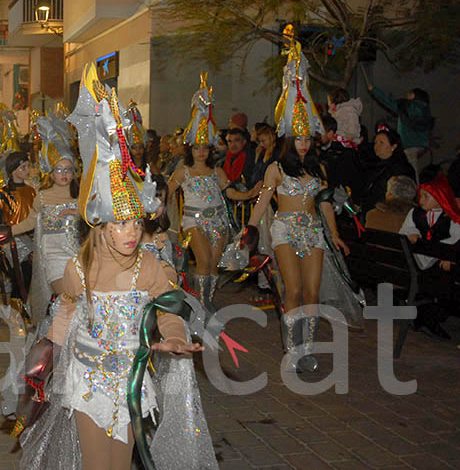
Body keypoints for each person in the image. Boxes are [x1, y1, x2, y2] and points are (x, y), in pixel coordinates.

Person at [20, 62, 214, 470]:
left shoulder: (150, 265)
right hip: (88, 381)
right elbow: (66, 313)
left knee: (120, 464)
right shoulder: (78, 267)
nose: (130, 232)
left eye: (135, 222)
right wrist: (45, 357)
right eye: (119, 223)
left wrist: (176, 336)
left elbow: (168, 310)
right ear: (100, 225)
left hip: (131, 381)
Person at [245, 24, 353, 373]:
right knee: (291, 290)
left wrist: (334, 234)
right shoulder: (276, 168)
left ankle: (307, 347)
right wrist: (249, 230)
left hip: (313, 231)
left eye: (309, 138)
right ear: (290, 139)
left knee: (312, 293)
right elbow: (263, 200)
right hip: (284, 230)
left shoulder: (318, 168)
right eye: (299, 138)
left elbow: (323, 203)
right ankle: (292, 348)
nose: (305, 143)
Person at [168, 73, 251, 310]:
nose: (201, 152)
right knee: (203, 260)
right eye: (197, 148)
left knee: (213, 264)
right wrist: (157, 206)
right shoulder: (184, 172)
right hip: (194, 221)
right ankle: (200, 305)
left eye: (205, 148)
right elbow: (168, 190)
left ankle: (205, 302)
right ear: (190, 149)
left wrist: (250, 194)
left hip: (219, 221)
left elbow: (231, 193)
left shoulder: (217, 172)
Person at [7, 113, 79, 326]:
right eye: (59, 169)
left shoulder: (82, 196)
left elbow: (97, 218)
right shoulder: (43, 196)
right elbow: (30, 223)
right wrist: (6, 231)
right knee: (69, 297)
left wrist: (79, 213)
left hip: (78, 256)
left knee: (81, 300)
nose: (64, 174)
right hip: (53, 256)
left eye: (68, 169)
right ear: (50, 172)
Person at [399, 172, 460, 339]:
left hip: (437, 262)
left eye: (427, 197)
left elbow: (455, 238)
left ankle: (427, 316)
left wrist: (448, 256)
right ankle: (426, 317)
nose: (421, 200)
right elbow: (406, 228)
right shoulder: (415, 213)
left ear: (440, 198)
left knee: (442, 280)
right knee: (435, 281)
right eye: (421, 196)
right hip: (418, 263)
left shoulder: (451, 217)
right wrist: (412, 233)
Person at [0, 150, 37, 320]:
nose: (28, 170)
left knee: (31, 272)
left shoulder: (31, 191)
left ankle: (25, 306)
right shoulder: (4, 194)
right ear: (14, 170)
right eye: (24, 167)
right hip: (11, 240)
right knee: (20, 272)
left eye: (28, 167)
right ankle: (17, 309)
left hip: (31, 239)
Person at [367, 81, 433, 178]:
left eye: (409, 93)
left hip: (410, 144)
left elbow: (389, 102)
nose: (406, 95)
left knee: (410, 172)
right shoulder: (425, 109)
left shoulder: (407, 106)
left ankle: (413, 190)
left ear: (413, 95)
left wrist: (374, 90)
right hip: (422, 145)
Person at [361, 126, 415, 214]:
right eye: (375, 142)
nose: (377, 146)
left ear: (393, 146)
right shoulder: (372, 165)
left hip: (388, 213)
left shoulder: (401, 168)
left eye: (381, 143)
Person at [318, 114, 365, 201]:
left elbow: (354, 182)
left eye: (320, 132)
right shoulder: (315, 152)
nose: (316, 136)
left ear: (330, 134)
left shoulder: (344, 154)